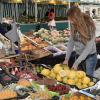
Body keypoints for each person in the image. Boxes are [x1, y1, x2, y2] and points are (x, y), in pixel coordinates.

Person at [63, 7, 97, 76]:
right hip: (78, 55)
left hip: (90, 57)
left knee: (88, 79)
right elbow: (71, 42)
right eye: (70, 20)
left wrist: (76, 63)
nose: (71, 22)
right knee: (76, 78)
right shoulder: (73, 23)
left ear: (77, 18)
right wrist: (66, 59)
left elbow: (88, 48)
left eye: (72, 20)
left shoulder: (89, 25)